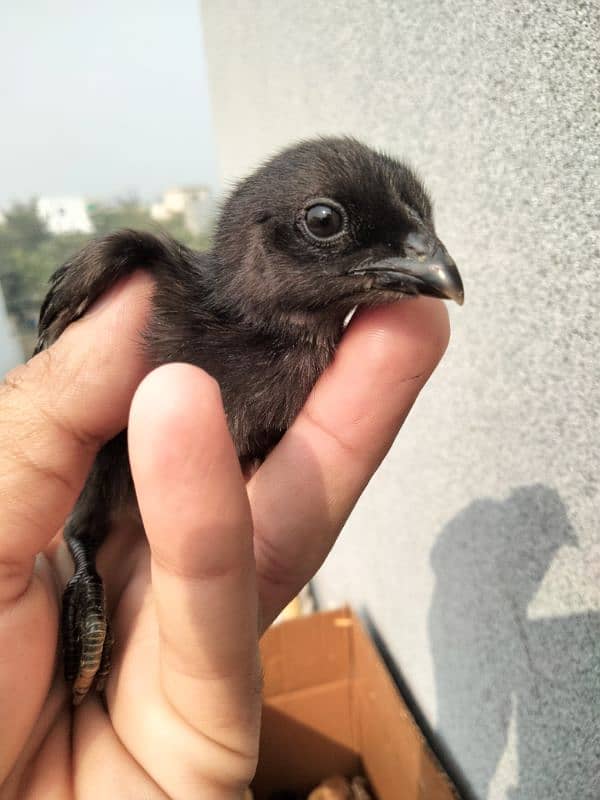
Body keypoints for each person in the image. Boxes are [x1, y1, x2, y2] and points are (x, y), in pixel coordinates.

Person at [0, 272, 450, 799]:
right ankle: (84, 562)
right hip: (97, 522)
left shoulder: (310, 372)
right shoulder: (158, 289)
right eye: (324, 224)